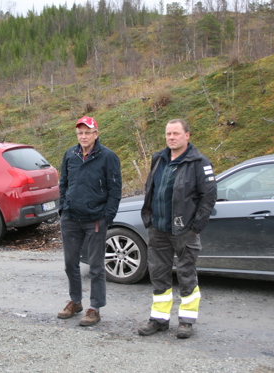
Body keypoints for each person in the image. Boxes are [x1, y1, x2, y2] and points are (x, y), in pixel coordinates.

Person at [138, 119, 217, 339]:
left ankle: (186, 321)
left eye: (176, 133)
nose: (171, 137)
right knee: (158, 274)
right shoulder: (158, 159)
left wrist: (195, 227)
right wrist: (149, 219)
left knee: (186, 274)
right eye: (168, 134)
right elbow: (151, 189)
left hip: (184, 231)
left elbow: (208, 198)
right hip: (158, 229)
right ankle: (159, 320)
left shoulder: (200, 163)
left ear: (187, 135)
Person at [57, 116, 122, 326]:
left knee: (95, 266)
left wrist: (107, 217)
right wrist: (62, 208)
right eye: (80, 133)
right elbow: (63, 183)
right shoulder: (70, 154)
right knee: (70, 264)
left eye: (88, 132)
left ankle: (95, 307)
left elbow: (115, 190)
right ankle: (75, 301)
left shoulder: (108, 157)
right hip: (70, 217)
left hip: (95, 220)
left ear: (96, 133)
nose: (84, 136)